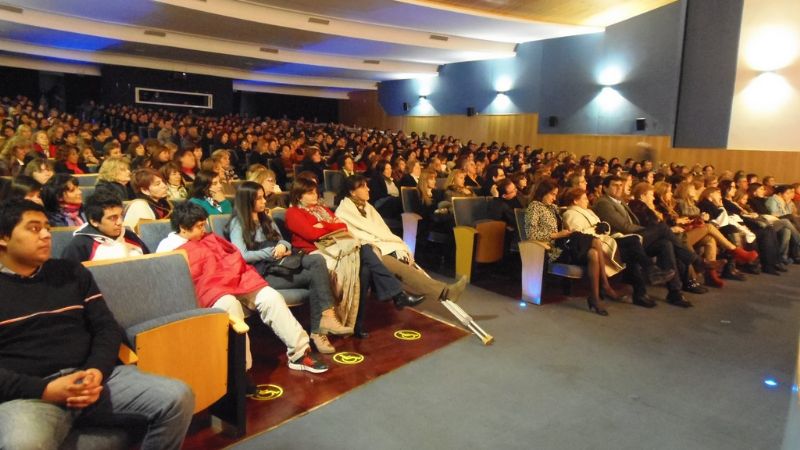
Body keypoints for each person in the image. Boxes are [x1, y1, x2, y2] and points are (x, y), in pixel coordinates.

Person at [0, 198, 194, 450]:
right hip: (31, 394)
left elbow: (106, 327)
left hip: (96, 379)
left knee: (178, 397)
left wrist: (96, 371)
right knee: (23, 444)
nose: (47, 235)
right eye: (35, 229)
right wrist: (44, 389)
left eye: (48, 227)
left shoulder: (71, 272)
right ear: (3, 237)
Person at [157, 202, 327, 373]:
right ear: (183, 228)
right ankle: (241, 370)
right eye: (199, 226)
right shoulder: (168, 247)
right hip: (208, 291)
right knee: (230, 305)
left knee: (270, 296)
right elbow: (177, 282)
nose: (204, 229)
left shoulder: (207, 238)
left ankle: (299, 352)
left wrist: (232, 274)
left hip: (234, 280)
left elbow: (232, 257)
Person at [285, 177, 423, 338]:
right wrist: (329, 227)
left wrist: (323, 226)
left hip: (336, 247)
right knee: (365, 252)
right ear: (298, 196)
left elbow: (342, 226)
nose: (315, 195)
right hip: (317, 253)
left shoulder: (321, 209)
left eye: (315, 191)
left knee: (364, 269)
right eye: (309, 193)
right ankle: (396, 295)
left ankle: (360, 322)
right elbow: (311, 234)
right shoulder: (293, 212)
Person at [228, 181, 352, 354]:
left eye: (264, 197)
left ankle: (326, 319)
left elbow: (283, 239)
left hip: (283, 263)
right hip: (264, 273)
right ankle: (319, 331)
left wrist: (283, 246)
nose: (264, 201)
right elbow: (242, 255)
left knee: (317, 261)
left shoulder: (265, 217)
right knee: (318, 278)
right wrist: (271, 252)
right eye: (259, 198)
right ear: (247, 200)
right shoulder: (238, 223)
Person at [336, 175, 466, 304]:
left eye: (366, 185)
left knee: (406, 262)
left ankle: (438, 290)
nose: (368, 189)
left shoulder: (367, 207)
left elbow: (382, 231)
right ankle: (445, 292)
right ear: (352, 192)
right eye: (363, 187)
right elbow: (357, 237)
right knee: (403, 269)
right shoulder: (344, 212)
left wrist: (398, 246)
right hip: (364, 252)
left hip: (380, 246)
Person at [525, 180, 626, 316]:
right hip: (552, 249)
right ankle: (606, 286)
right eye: (552, 194)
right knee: (595, 241)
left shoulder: (553, 207)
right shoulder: (534, 207)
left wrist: (566, 231)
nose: (554, 198)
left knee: (594, 254)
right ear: (543, 193)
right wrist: (557, 234)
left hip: (565, 243)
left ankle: (595, 297)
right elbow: (531, 234)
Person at [592, 176, 694, 307]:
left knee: (665, 244)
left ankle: (675, 292)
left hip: (633, 239)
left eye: (620, 185)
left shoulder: (620, 202)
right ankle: (691, 258)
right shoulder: (604, 203)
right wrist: (652, 230)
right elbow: (625, 227)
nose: (619, 188)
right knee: (662, 228)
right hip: (620, 242)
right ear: (605, 188)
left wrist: (652, 231)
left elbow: (632, 224)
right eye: (614, 185)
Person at [63, 190, 149, 262]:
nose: (120, 222)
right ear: (94, 221)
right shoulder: (79, 245)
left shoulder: (130, 236)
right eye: (112, 218)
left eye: (121, 216)